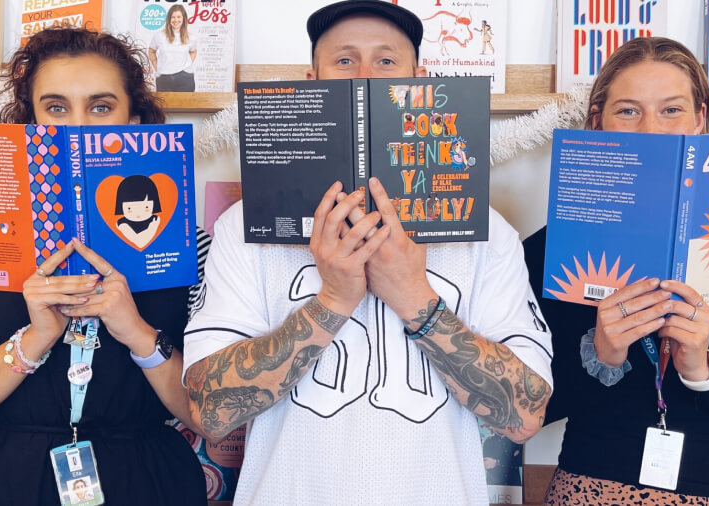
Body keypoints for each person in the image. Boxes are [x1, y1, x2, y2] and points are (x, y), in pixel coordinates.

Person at [182, 1, 553, 504]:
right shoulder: (244, 227)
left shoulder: (486, 231)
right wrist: (331, 299)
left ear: (419, 80)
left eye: (385, 61)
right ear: (312, 81)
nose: (363, 77)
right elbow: (209, 408)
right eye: (343, 60)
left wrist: (415, 299)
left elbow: (526, 414)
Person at [0, 27, 209, 506]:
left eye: (100, 107)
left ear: (134, 123)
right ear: (29, 122)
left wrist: (137, 333)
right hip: (9, 484)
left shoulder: (189, 245)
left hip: (150, 481)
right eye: (55, 108)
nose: (77, 127)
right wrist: (34, 340)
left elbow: (207, 417)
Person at [521, 37, 709, 505]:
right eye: (628, 110)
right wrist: (601, 356)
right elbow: (526, 412)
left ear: (699, 118)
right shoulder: (551, 249)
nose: (651, 129)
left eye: (671, 110)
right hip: (590, 490)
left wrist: (703, 370)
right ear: (598, 122)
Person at [148, 5, 197, 92]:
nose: (176, 20)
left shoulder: (191, 37)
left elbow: (193, 52)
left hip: (185, 78)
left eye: (179, 17)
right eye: (173, 17)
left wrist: (186, 65)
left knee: (185, 105)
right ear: (169, 19)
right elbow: (151, 51)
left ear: (184, 18)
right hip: (164, 79)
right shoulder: (159, 36)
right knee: (164, 105)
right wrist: (157, 67)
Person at [115, 174, 162, 249]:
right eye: (129, 208)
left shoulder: (155, 219)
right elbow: (140, 242)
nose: (138, 214)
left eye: (146, 207)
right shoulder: (122, 223)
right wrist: (152, 228)